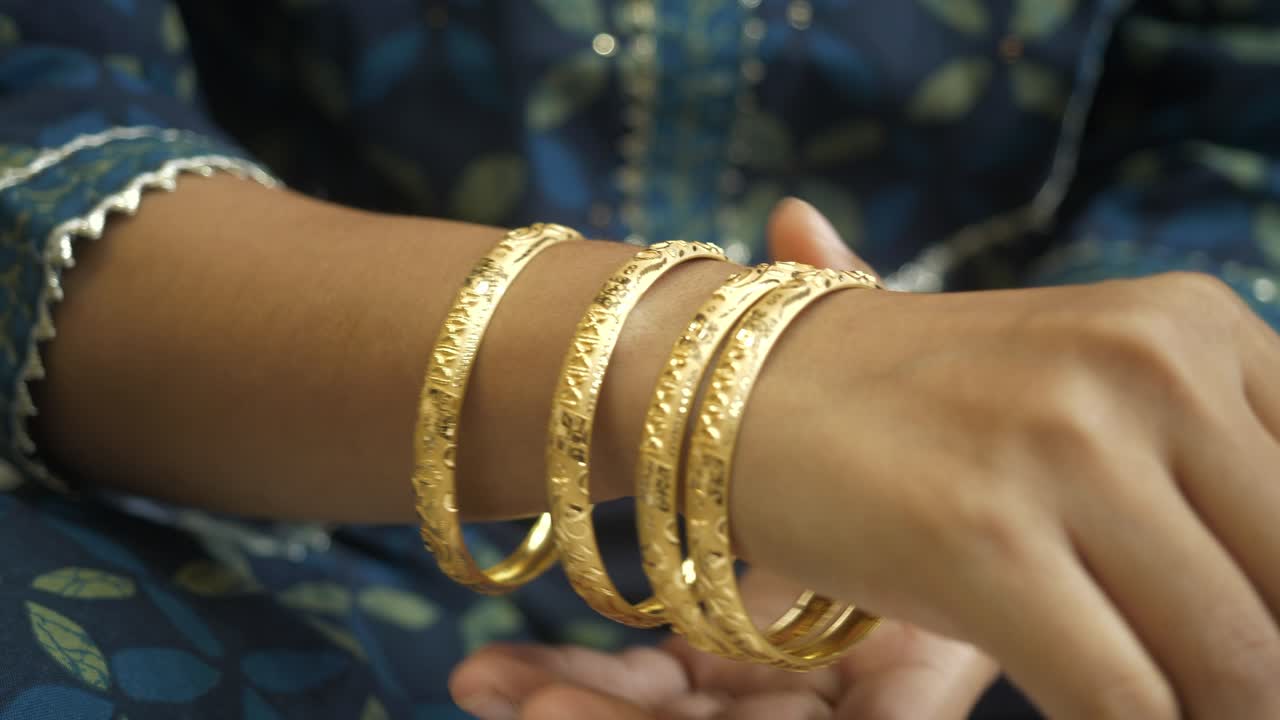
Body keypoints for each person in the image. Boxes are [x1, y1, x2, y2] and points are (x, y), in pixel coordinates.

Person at [1, 1, 1278, 718]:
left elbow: (1237, 132)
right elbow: (38, 124)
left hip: (968, 576)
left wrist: (1048, 490)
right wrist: (729, 370)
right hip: (222, 487)